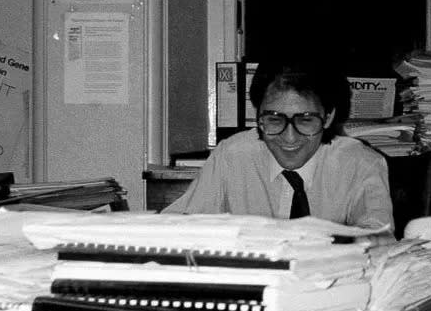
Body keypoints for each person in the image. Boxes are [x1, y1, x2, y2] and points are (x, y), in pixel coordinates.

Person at [163, 59, 393, 229]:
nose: (290, 138)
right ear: (258, 116)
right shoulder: (232, 156)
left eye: (306, 120)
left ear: (329, 117)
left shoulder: (361, 164)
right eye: (274, 119)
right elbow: (179, 227)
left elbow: (378, 245)